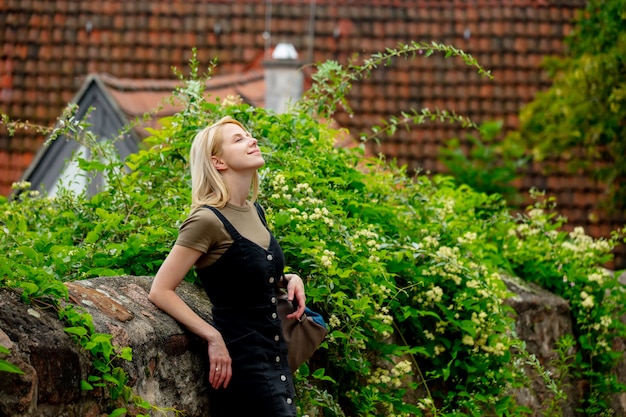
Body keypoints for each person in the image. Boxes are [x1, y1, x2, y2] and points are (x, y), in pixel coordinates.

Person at [148, 116, 306, 417]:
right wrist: (212, 336)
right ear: (218, 162)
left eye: (249, 135)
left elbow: (246, 273)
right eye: (239, 139)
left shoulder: (254, 210)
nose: (252, 140)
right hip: (243, 365)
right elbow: (160, 290)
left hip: (276, 358)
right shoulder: (205, 220)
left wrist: (288, 278)